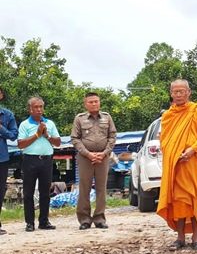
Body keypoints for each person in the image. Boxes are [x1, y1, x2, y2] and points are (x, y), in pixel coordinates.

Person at [157, 80, 197, 251]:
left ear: (189, 92)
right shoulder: (168, 116)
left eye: (182, 91)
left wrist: (192, 150)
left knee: (195, 198)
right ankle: (180, 237)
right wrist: (175, 154)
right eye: (175, 92)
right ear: (171, 94)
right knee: (179, 199)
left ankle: (196, 237)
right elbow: (164, 140)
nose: (179, 94)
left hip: (194, 161)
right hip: (177, 163)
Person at [71, 92, 117, 230]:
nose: (94, 104)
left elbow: (112, 136)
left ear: (99, 102)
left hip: (103, 158)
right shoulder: (79, 119)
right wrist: (88, 154)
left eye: (96, 101)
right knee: (84, 188)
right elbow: (75, 138)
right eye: (90, 102)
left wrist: (104, 153)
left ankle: (99, 218)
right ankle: (84, 219)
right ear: (85, 104)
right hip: (85, 158)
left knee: (101, 189)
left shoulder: (107, 117)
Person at [17, 96, 61, 232]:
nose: (39, 110)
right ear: (30, 109)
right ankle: (30, 222)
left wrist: (46, 135)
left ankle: (44, 221)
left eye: (41, 107)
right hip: (30, 160)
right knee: (28, 193)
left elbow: (58, 143)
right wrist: (37, 134)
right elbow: (20, 144)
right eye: (35, 107)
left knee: (45, 192)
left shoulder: (50, 123)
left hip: (46, 160)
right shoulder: (25, 124)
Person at [0, 86, 18, 235]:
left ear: (1, 96)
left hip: (2, 158)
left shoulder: (7, 115)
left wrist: (1, 128)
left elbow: (13, 135)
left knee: (0, 191)